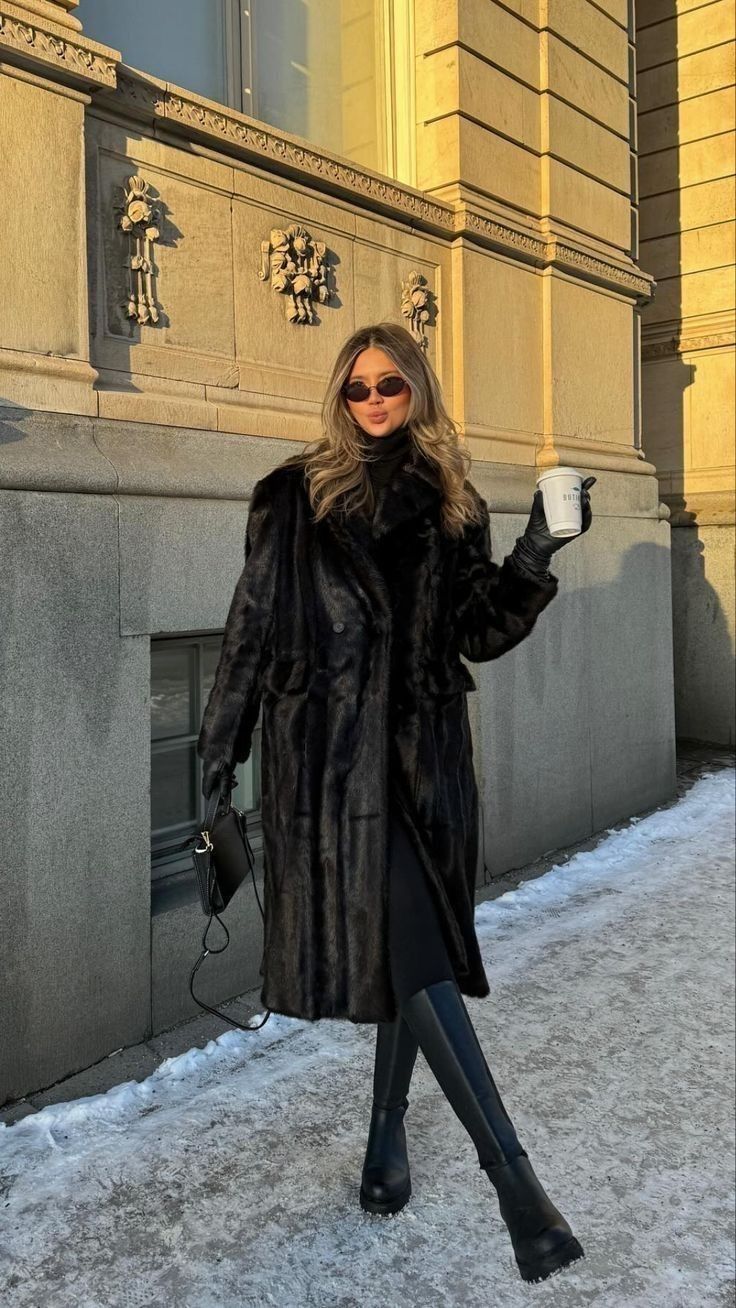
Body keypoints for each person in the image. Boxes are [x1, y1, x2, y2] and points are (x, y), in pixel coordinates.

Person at [198, 322, 595, 1284]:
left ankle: (386, 1131)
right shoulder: (291, 496)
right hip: (327, 770)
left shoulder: (451, 500)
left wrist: (540, 547)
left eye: (390, 386)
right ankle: (517, 1187)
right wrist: (217, 765)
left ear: (417, 389)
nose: (374, 402)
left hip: (422, 763)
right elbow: (249, 634)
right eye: (357, 388)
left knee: (408, 951)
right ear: (339, 397)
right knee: (411, 945)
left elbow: (476, 630)